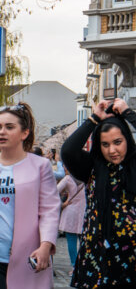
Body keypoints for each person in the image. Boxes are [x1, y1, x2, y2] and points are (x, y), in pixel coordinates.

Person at [62, 98, 136, 289]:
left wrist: (128, 113)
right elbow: (68, 150)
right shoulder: (93, 168)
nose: (112, 150)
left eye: (118, 142)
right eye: (105, 144)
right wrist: (94, 118)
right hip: (101, 261)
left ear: (127, 139)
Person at [0, 102, 59, 289]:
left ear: (24, 133)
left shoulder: (40, 166)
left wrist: (45, 245)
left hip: (26, 255)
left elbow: (49, 210)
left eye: (9, 127)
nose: (2, 132)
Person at [57, 173, 86, 267]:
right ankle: (83, 264)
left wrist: (61, 204)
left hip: (71, 212)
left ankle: (74, 265)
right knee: (84, 241)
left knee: (71, 240)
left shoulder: (68, 178)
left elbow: (54, 191)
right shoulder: (87, 177)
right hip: (84, 212)